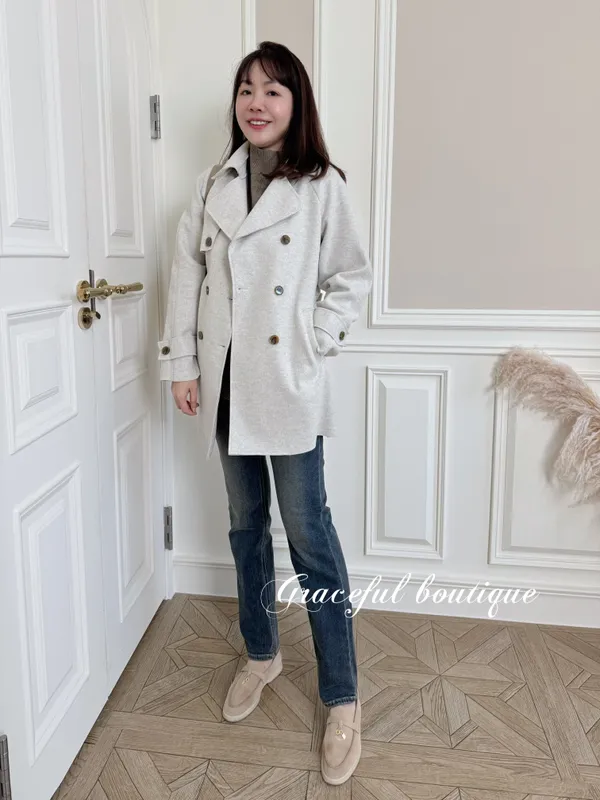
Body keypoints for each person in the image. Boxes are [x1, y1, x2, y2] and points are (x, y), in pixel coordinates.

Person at [158, 41, 372, 785]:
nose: (256, 102)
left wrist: (314, 340)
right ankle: (261, 653)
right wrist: (183, 364)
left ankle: (341, 695)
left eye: (273, 90)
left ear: (295, 103)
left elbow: (350, 276)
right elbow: (184, 274)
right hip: (224, 383)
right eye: (246, 89)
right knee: (246, 526)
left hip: (286, 383)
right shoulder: (210, 184)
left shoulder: (321, 185)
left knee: (311, 536)